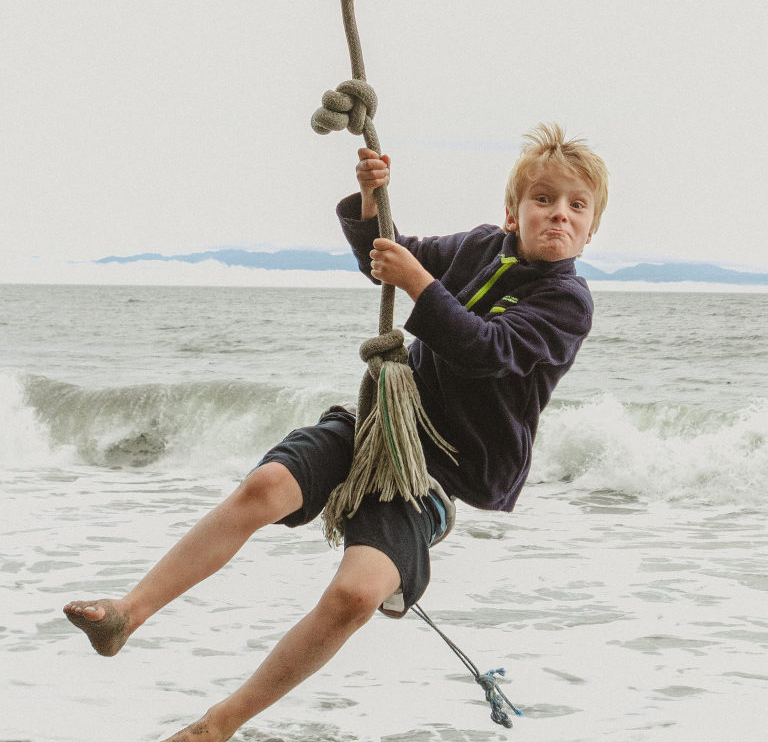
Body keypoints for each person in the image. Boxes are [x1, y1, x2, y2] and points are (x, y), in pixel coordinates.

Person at [63, 122, 609, 742]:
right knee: (264, 487)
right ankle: (126, 615)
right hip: (377, 424)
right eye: (543, 199)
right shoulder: (479, 246)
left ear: (592, 229)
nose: (558, 214)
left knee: (356, 595)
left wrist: (418, 284)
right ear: (512, 212)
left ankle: (215, 728)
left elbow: (486, 349)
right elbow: (387, 254)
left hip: (435, 473)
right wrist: (373, 203)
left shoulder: (568, 302)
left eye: (576, 206)